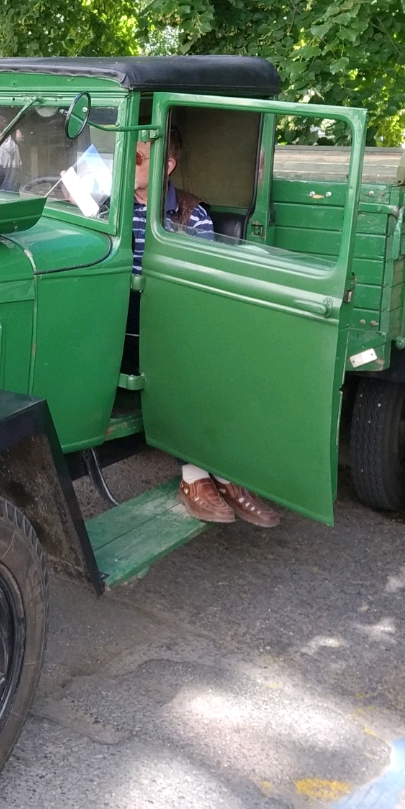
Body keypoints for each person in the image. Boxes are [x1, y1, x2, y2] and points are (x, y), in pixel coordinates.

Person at [129, 127, 279, 527]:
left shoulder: (191, 214)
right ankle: (197, 476)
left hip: (176, 321)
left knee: (213, 365)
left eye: (139, 157)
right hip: (127, 323)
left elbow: (200, 286)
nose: (129, 163)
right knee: (188, 365)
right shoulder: (113, 209)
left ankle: (224, 476)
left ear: (167, 166)